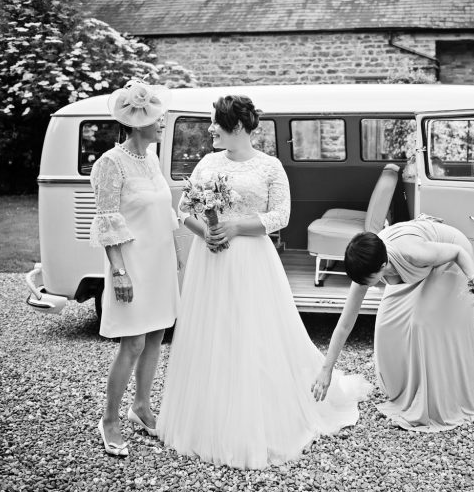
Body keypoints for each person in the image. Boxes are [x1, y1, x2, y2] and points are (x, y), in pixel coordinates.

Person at [157, 94, 371, 469]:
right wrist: (204, 234)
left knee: (253, 334)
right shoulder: (207, 163)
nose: (210, 129)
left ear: (237, 127)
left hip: (253, 260)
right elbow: (183, 211)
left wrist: (237, 225)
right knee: (212, 335)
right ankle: (210, 416)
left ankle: (257, 418)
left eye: (215, 123)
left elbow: (281, 216)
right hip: (210, 262)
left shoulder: (270, 167)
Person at [312, 217, 474, 432]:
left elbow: (458, 253)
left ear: (383, 265)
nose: (365, 285)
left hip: (452, 257)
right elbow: (345, 324)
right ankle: (402, 390)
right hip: (420, 258)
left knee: (420, 323)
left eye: (369, 280)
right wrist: (326, 369)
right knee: (385, 324)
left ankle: (436, 398)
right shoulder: (366, 264)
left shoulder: (413, 253)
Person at [89, 79, 182, 456]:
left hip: (159, 262)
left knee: (158, 335)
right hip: (132, 264)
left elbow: (162, 212)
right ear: (137, 122)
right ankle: (109, 420)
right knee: (133, 342)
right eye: (158, 118)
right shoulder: (110, 164)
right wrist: (118, 271)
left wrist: (174, 251)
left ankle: (141, 407)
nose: (163, 123)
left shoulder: (152, 158)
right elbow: (107, 219)